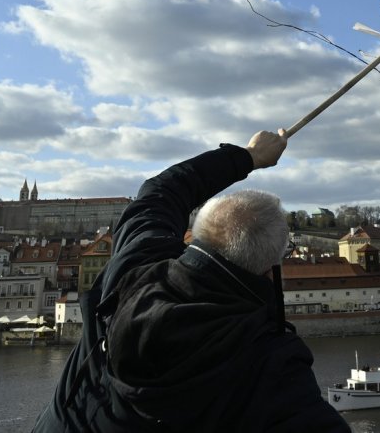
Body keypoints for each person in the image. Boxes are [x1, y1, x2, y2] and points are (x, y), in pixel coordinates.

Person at [32, 129, 351, 433]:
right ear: (270, 269)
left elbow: (162, 190)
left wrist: (250, 155)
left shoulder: (132, 271)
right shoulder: (270, 364)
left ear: (195, 236)